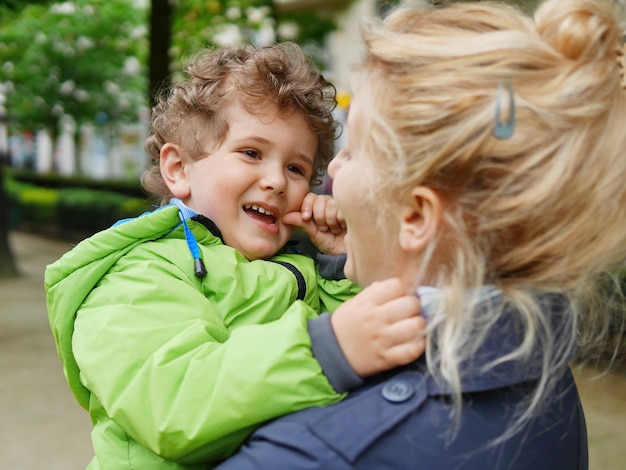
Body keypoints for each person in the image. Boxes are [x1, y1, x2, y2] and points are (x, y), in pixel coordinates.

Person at [217, 0, 626, 468]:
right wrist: (380, 254)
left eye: (353, 150)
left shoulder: (304, 456)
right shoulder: (540, 364)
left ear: (415, 217)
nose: (332, 170)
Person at [45, 43, 425, 469]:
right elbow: (173, 406)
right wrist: (327, 349)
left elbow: (369, 364)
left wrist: (340, 268)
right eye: (251, 153)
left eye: (296, 168)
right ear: (179, 169)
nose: (276, 182)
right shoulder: (135, 276)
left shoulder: (301, 268)